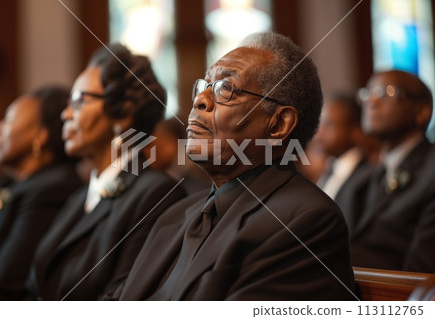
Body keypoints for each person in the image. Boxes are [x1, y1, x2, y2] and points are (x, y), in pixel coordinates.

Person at [106, 32, 356, 301]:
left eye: (225, 89)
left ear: (279, 124)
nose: (200, 100)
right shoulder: (176, 215)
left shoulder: (305, 221)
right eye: (204, 86)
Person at [26, 44, 186, 300]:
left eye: (79, 101)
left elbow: (122, 297)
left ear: (121, 114)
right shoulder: (78, 198)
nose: (65, 113)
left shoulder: (155, 192)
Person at [0, 86, 83, 300]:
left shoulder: (50, 189)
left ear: (39, 136)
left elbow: (3, 286)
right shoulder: (17, 185)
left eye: (9, 119)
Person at [349, 70, 435, 272]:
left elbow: (423, 271)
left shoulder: (431, 169)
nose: (372, 102)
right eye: (368, 93)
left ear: (421, 111)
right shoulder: (364, 175)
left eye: (385, 93)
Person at [314, 92, 377, 231]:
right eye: (319, 124)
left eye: (328, 125)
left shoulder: (368, 176)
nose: (319, 132)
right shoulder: (330, 169)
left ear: (354, 130)